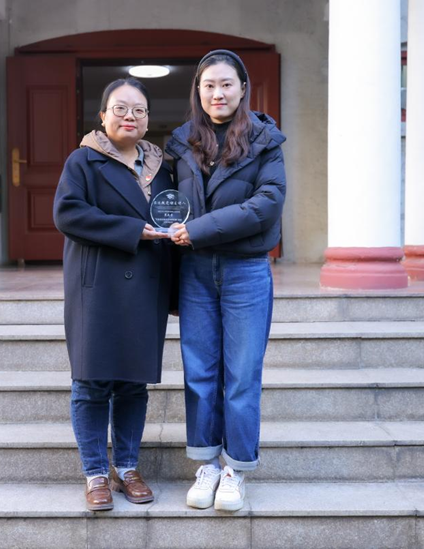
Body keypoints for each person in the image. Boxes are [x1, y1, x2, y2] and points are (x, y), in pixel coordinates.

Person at [165, 49, 286, 511]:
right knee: (199, 373)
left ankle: (236, 468)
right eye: (209, 85)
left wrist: (197, 230)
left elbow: (266, 204)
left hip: (246, 270)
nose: (218, 93)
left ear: (243, 88)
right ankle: (207, 464)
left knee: (241, 375)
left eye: (226, 84)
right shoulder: (181, 143)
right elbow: (164, 200)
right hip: (195, 272)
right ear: (198, 91)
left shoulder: (265, 141)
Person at [53, 78, 176, 512]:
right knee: (91, 383)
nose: (130, 117)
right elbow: (68, 213)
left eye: (139, 110)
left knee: (132, 385)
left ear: (147, 119)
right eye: (120, 108)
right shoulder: (83, 160)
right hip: (98, 286)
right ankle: (95, 473)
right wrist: (132, 230)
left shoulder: (162, 166)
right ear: (103, 115)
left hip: (146, 285)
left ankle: (127, 468)